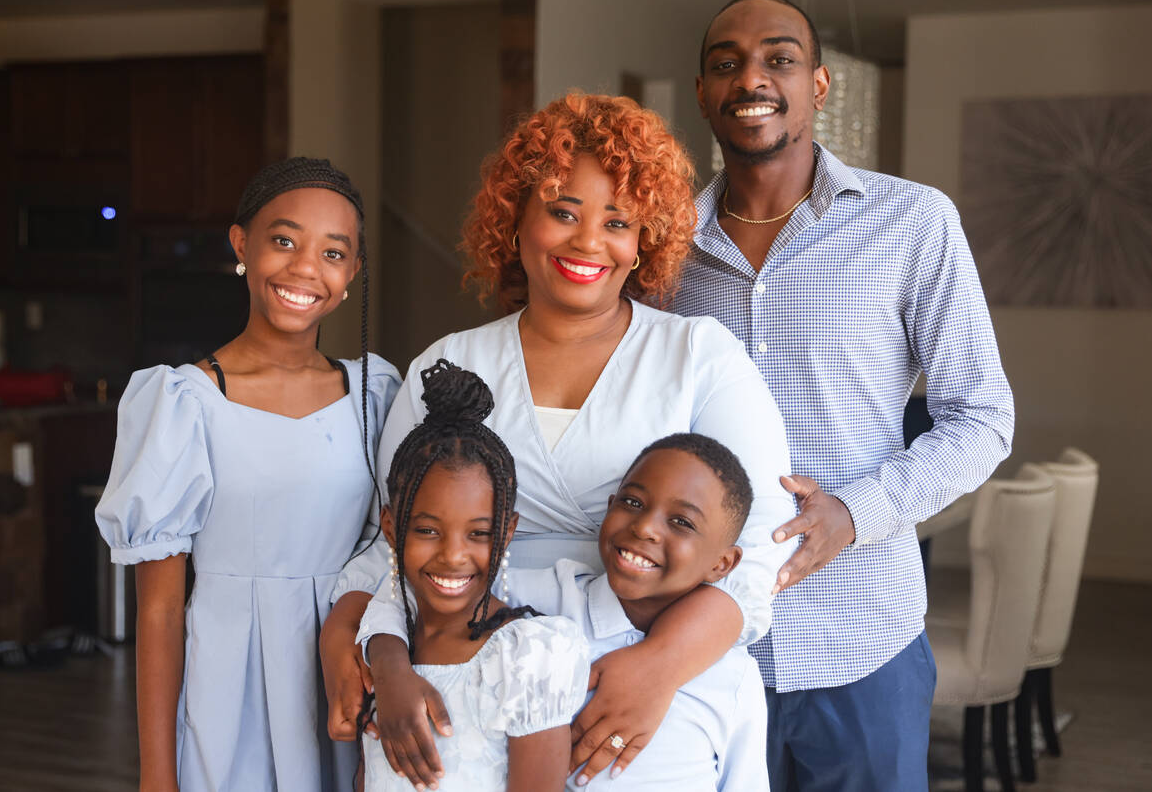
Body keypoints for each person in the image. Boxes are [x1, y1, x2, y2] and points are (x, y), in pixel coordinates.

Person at [320, 93, 796, 790]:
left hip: (639, 676)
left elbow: (757, 555)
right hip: (470, 672)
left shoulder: (702, 357)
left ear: (645, 241)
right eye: (563, 211)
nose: (587, 242)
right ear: (516, 220)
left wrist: (658, 666)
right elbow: (391, 546)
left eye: (617, 221)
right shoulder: (447, 366)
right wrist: (353, 638)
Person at [676, 0, 1015, 790]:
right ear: (702, 94)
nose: (751, 77)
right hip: (700, 646)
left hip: (864, 639)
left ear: (819, 85)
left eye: (778, 59)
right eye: (726, 63)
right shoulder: (659, 249)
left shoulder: (912, 222)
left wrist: (854, 513)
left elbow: (984, 415)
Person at [95, 158, 402, 792]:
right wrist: (158, 776)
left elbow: (394, 553)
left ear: (351, 275)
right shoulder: (182, 403)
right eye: (284, 240)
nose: (304, 268)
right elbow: (158, 610)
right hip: (227, 687)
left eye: (333, 252)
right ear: (242, 245)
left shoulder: (374, 395)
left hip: (345, 673)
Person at [360, 432, 769, 791]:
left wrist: (662, 670)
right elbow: (410, 591)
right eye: (632, 502)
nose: (645, 528)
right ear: (608, 508)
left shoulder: (731, 679)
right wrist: (390, 667)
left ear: (723, 564)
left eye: (681, 521)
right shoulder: (540, 597)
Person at [360, 358, 590, 792]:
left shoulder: (526, 657)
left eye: (479, 533)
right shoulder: (388, 633)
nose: (452, 556)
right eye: (427, 530)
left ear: (507, 533)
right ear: (391, 528)